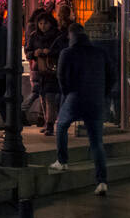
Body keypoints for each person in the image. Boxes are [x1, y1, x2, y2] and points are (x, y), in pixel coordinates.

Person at [49, 24, 116, 195]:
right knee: (96, 142)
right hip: (95, 99)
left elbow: (61, 77)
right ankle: (102, 181)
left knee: (61, 125)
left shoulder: (68, 53)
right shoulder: (99, 52)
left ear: (71, 36)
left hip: (75, 96)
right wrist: (103, 93)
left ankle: (62, 160)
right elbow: (112, 75)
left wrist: (67, 93)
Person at [26, 10, 61, 133]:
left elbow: (62, 50)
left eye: (45, 23)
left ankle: (50, 124)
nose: (43, 26)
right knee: (42, 97)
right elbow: (28, 52)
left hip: (52, 70)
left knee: (50, 98)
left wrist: (50, 52)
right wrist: (34, 53)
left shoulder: (57, 35)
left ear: (50, 23)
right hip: (38, 70)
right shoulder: (34, 36)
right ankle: (47, 122)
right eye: (40, 23)